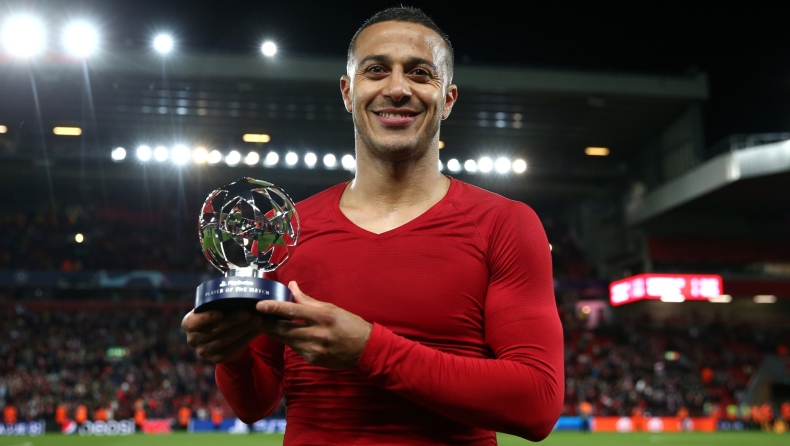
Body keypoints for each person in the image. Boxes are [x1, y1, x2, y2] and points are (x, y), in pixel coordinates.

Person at [182, 6, 563, 445]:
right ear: (348, 92)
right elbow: (254, 404)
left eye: (420, 73)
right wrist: (232, 355)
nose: (397, 89)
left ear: (448, 99)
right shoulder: (286, 230)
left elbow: (537, 404)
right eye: (376, 70)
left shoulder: (505, 223)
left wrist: (368, 349)